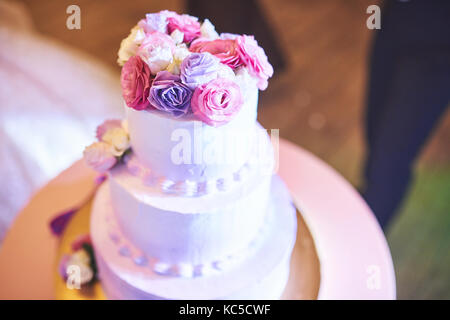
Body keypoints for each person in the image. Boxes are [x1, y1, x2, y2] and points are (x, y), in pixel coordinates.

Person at [362, 0, 450, 229]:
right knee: (374, 130)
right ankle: (368, 205)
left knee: (390, 159)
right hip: (394, 22)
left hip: (439, 45)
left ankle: (367, 236)